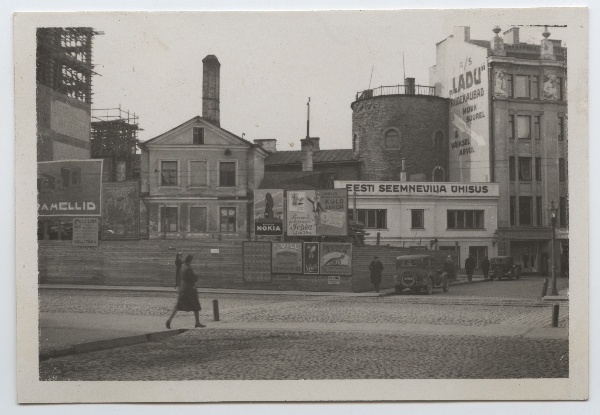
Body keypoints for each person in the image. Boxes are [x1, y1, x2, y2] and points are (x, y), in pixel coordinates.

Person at [166, 255, 205, 329]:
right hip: (189, 289)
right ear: (189, 261)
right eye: (191, 261)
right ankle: (197, 322)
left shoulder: (182, 267)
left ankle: (169, 320)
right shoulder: (188, 268)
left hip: (183, 289)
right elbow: (192, 278)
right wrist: (196, 277)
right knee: (195, 305)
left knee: (178, 306)